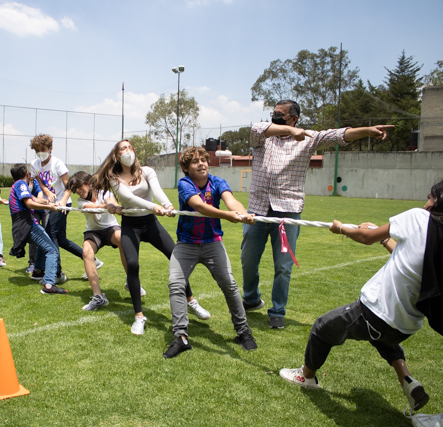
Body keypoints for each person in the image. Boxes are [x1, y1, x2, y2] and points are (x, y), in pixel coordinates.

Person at [279, 178, 443, 426]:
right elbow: (410, 260)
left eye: (431, 198)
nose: (426, 203)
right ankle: (408, 380)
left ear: (442, 202)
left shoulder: (419, 218)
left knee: (322, 328)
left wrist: (341, 229)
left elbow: (365, 237)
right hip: (406, 325)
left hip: (373, 311)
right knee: (382, 337)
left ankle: (307, 376)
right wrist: (384, 238)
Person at [241, 99, 395, 330]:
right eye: (274, 113)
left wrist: (367, 131)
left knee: (283, 266)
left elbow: (339, 135)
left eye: (281, 114)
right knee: (248, 259)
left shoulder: (309, 139)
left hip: (288, 210)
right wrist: (291, 130)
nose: (275, 116)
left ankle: (277, 311)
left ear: (294, 117)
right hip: (258, 208)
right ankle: (251, 299)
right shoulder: (263, 137)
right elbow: (256, 128)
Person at [93, 139, 210, 335]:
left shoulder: (146, 171)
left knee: (175, 256)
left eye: (130, 148)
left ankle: (191, 301)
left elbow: (157, 191)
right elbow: (129, 198)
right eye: (123, 148)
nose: (128, 151)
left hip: (150, 223)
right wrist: (153, 206)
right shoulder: (114, 178)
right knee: (132, 264)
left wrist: (167, 205)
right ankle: (139, 316)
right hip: (131, 224)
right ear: (117, 155)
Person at [163, 147, 258, 358]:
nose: (201, 164)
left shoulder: (217, 182)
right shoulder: (184, 183)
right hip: (186, 244)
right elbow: (200, 206)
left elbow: (231, 201)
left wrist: (243, 214)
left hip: (213, 243)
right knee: (176, 284)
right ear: (186, 168)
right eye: (195, 161)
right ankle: (181, 337)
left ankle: (243, 332)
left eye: (204, 160)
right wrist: (227, 215)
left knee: (230, 285)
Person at [30, 134, 102, 284]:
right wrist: (48, 192)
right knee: (60, 239)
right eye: (37, 150)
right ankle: (92, 260)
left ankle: (56, 273)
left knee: (51, 235)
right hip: (49, 203)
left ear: (50, 148)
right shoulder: (34, 164)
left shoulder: (58, 164)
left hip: (63, 204)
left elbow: (69, 185)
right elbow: (40, 182)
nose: (40, 153)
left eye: (43, 149)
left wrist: (62, 201)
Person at [67, 171, 128, 311]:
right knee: (87, 251)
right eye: (74, 189)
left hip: (111, 228)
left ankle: (131, 281)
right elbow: (93, 208)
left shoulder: (104, 192)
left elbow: (111, 201)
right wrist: (105, 207)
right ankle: (98, 296)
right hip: (93, 232)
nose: (77, 191)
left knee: (122, 239)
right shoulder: (81, 201)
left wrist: (114, 206)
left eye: (79, 186)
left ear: (89, 183)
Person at [9, 163, 66, 294]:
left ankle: (38, 271)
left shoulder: (16, 186)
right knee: (52, 251)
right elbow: (29, 204)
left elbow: (33, 198)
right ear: (27, 175)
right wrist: (50, 208)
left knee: (43, 245)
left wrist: (48, 202)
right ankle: (49, 284)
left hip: (22, 225)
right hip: (27, 224)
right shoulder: (21, 184)